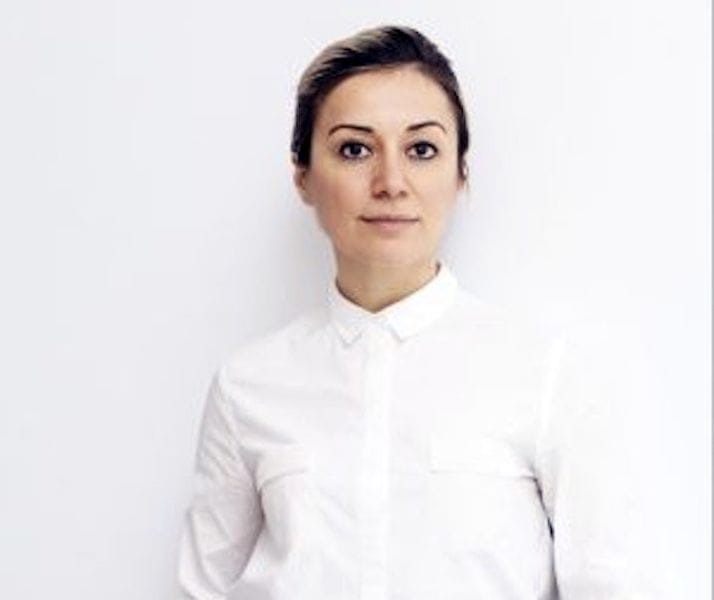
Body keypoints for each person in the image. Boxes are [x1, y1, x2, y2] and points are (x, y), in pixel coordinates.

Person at [176, 24, 655, 599]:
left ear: (460, 173)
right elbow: (201, 590)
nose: (391, 182)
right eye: (355, 149)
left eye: (421, 149)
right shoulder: (247, 387)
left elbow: (611, 585)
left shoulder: (544, 372)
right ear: (303, 176)